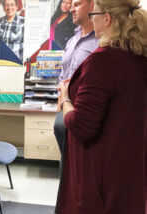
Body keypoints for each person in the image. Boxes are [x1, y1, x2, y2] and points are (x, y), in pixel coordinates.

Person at [56, 0, 147, 214]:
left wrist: (66, 99)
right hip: (130, 167)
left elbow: (81, 126)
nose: (91, 17)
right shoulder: (139, 56)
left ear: (106, 19)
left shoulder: (102, 61)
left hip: (101, 175)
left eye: (93, 13)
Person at [53, 0, 99, 154]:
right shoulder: (72, 41)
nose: (71, 9)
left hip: (85, 113)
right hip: (65, 109)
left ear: (92, 6)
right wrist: (61, 101)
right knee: (66, 164)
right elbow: (63, 74)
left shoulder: (102, 41)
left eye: (77, 4)